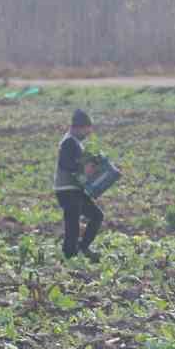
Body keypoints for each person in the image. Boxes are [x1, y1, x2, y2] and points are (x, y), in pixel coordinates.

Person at [54, 108, 104, 261]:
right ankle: (70, 254)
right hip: (67, 190)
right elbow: (66, 164)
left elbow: (79, 164)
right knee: (73, 224)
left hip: (76, 189)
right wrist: (83, 168)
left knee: (96, 215)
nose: (88, 133)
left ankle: (82, 248)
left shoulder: (75, 142)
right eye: (87, 130)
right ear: (79, 127)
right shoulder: (69, 141)